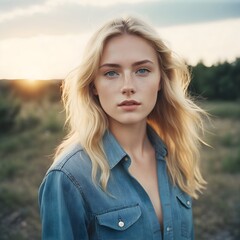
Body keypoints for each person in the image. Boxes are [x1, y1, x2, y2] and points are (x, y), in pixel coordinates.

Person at [39, 16, 207, 240]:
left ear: (160, 80)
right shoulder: (69, 177)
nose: (128, 86)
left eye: (142, 70)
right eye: (111, 73)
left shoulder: (173, 157)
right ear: (93, 86)